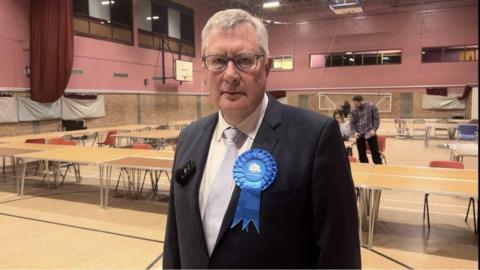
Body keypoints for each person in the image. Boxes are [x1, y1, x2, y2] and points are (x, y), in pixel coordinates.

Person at [163, 9, 360, 269]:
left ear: (266, 67)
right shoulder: (189, 137)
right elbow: (175, 242)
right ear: (203, 69)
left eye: (244, 60)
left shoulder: (316, 138)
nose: (230, 74)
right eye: (218, 61)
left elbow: (339, 254)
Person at [350, 95, 382, 164]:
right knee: (361, 154)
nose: (355, 105)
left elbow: (377, 118)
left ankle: (379, 167)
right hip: (359, 134)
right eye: (354, 104)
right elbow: (352, 123)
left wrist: (374, 129)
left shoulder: (372, 106)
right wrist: (354, 132)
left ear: (361, 101)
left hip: (370, 132)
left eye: (356, 104)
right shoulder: (353, 110)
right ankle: (365, 167)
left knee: (375, 152)